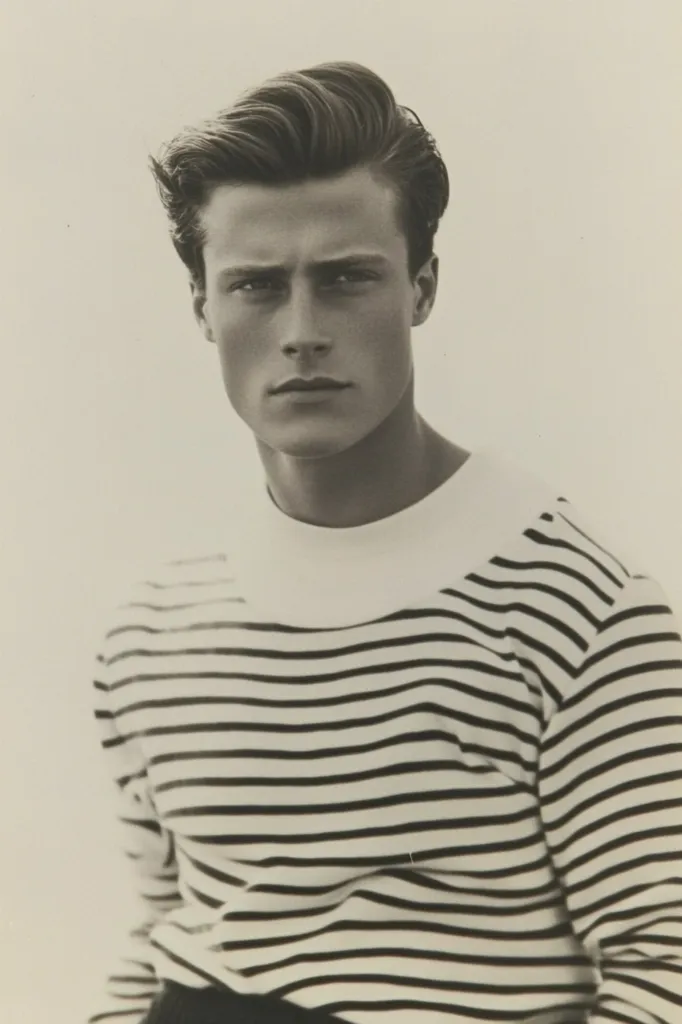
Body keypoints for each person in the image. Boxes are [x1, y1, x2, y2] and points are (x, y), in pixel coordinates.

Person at [88, 62, 682, 1024]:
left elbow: (664, 968)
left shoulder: (583, 608)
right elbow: (159, 940)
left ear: (422, 287)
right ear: (203, 307)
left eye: (347, 277)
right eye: (255, 286)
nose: (303, 332)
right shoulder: (153, 632)